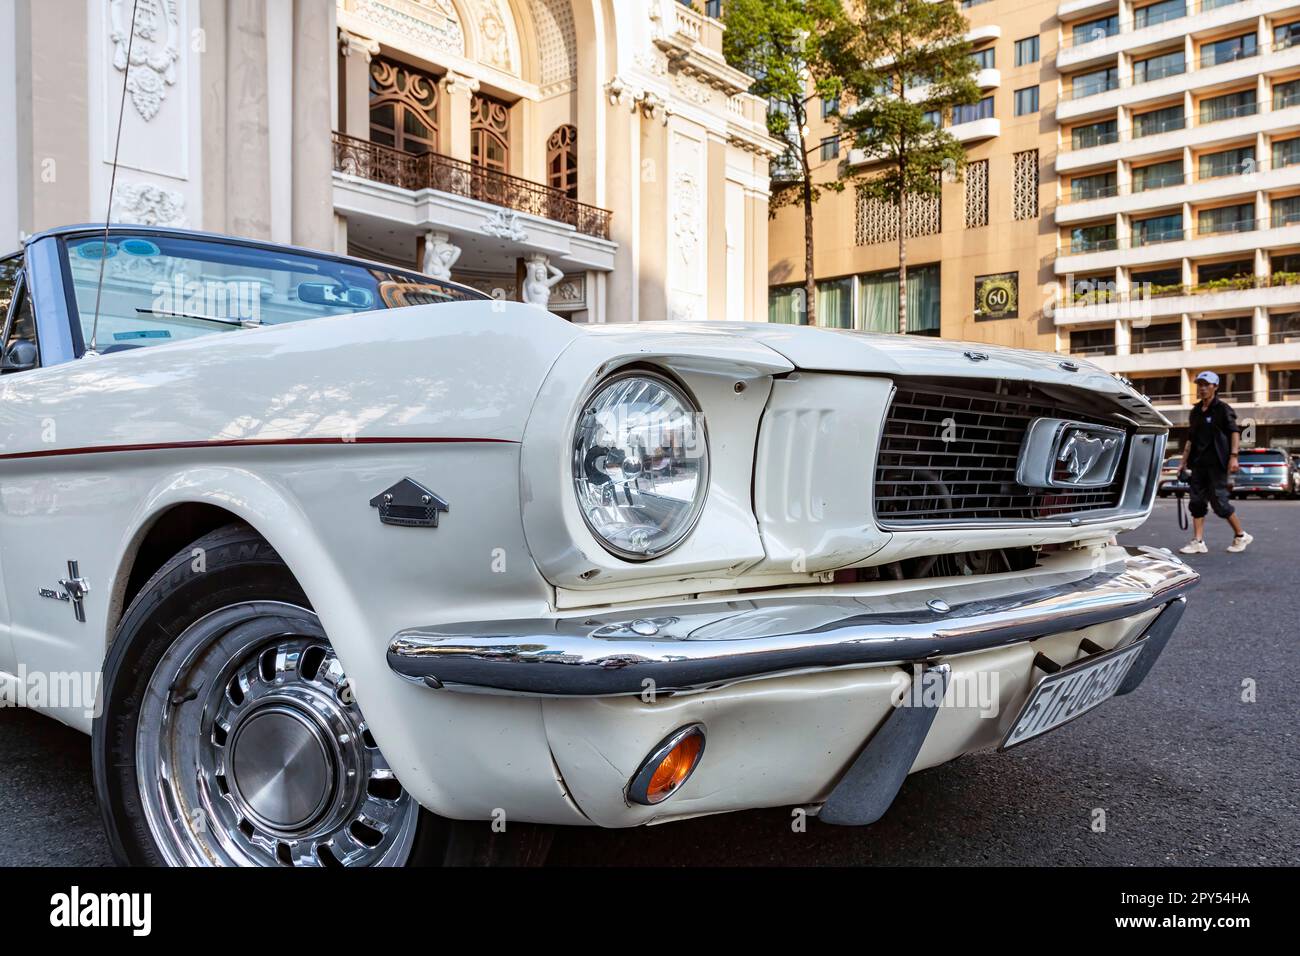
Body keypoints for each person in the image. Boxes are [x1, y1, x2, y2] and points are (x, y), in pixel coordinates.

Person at [1178, 371, 1252, 554]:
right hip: (1198, 464)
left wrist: (1234, 456)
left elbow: (1234, 432)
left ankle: (1241, 535)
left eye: (1206, 384)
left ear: (1215, 387)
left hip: (1218, 463)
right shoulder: (1195, 412)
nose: (1202, 388)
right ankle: (1198, 541)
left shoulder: (1222, 409)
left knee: (1219, 502)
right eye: (1200, 384)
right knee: (1196, 501)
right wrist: (1183, 461)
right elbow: (1191, 439)